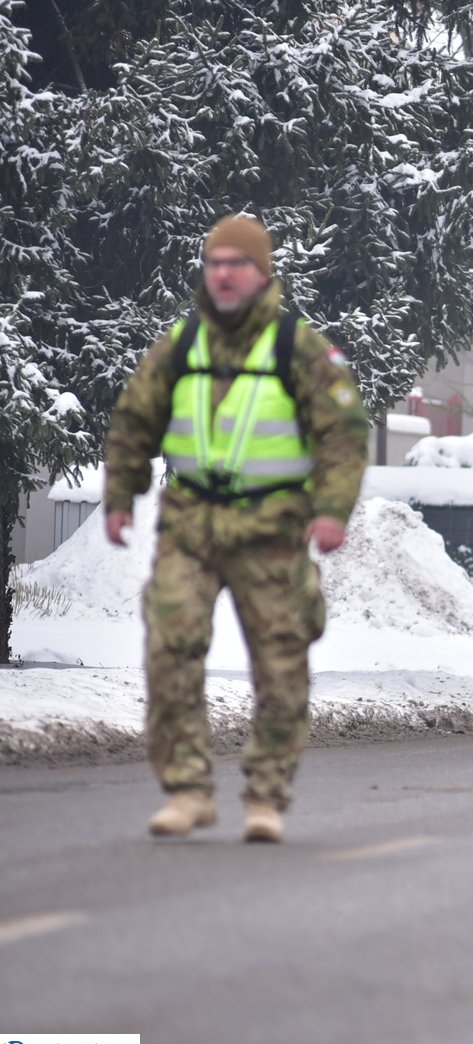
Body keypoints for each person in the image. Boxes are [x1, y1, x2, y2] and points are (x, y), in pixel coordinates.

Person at [102, 213, 369, 843]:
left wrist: (332, 509)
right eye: (215, 262)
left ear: (262, 272)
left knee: (280, 667)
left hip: (271, 530)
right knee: (170, 647)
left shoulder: (297, 347)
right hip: (190, 524)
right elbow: (135, 418)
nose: (223, 273)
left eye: (237, 263)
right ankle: (188, 789)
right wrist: (120, 493)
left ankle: (266, 795)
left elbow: (343, 434)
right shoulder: (181, 344)